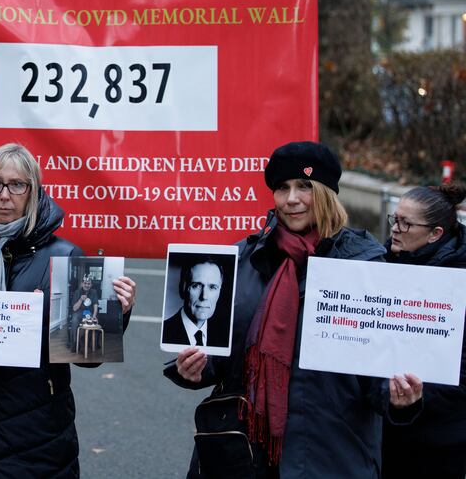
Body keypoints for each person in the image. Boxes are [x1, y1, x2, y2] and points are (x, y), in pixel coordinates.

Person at [164, 141, 424, 479]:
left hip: (331, 453)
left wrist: (399, 398)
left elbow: (379, 369)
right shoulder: (242, 258)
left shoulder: (366, 264)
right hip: (243, 454)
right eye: (282, 188)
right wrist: (196, 369)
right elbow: (221, 355)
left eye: (305, 186)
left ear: (328, 193)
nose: (292, 199)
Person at [0, 143, 137, 478]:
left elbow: (87, 357)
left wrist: (116, 314)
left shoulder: (66, 255)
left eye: (17, 185)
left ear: (33, 192)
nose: (4, 195)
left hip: (37, 436)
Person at [381, 183, 466, 478]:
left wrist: (418, 397)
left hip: (441, 442)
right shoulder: (382, 263)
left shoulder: (460, 284)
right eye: (395, 219)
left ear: (435, 234)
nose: (395, 229)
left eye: (406, 223)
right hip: (389, 430)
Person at [162, 257, 225, 347]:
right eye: (196, 286)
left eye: (212, 287)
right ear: (182, 288)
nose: (204, 296)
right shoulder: (165, 333)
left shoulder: (223, 337)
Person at [69, 274, 100, 350]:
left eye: (89, 283)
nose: (87, 285)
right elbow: (74, 308)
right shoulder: (77, 292)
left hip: (89, 313)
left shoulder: (94, 292)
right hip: (79, 312)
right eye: (85, 283)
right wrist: (80, 300)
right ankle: (75, 343)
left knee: (95, 321)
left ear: (91, 285)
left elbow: (95, 304)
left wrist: (94, 315)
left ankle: (91, 342)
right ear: (82, 284)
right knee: (74, 320)